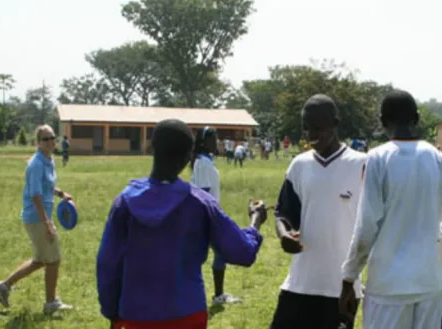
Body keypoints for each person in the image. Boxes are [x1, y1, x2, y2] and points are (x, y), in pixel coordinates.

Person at [96, 119, 266, 329]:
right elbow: (242, 252)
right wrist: (255, 221)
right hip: (187, 312)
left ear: (152, 148)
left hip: (137, 314)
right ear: (188, 157)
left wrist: (112, 311)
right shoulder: (201, 203)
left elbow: (107, 263)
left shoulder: (124, 202)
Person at [339, 90, 442, 329]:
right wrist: (441, 233)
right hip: (430, 282)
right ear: (416, 119)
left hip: (389, 285)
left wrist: (348, 278)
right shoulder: (440, 159)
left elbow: (367, 226)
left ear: (382, 121)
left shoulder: (377, 159)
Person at [270, 94, 367, 329]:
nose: (311, 134)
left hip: (341, 288)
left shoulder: (363, 165)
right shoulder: (299, 165)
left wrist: (354, 283)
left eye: (317, 127)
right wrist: (284, 235)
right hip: (299, 284)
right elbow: (283, 214)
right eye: (306, 128)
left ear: (335, 124)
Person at [0, 124, 74, 314]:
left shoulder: (49, 160)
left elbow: (46, 187)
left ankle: (4, 286)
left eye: (53, 137)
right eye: (46, 139)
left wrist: (61, 193)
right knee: (53, 259)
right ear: (38, 143)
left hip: (40, 216)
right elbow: (36, 194)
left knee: (40, 260)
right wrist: (47, 223)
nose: (51, 141)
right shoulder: (35, 164)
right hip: (37, 217)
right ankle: (51, 302)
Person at [190, 126, 240, 304]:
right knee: (217, 253)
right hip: (207, 215)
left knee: (217, 253)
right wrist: (213, 217)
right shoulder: (202, 163)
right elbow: (203, 193)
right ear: (204, 142)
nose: (217, 142)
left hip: (210, 213)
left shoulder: (205, 160)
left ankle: (217, 294)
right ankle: (217, 295)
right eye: (213, 139)